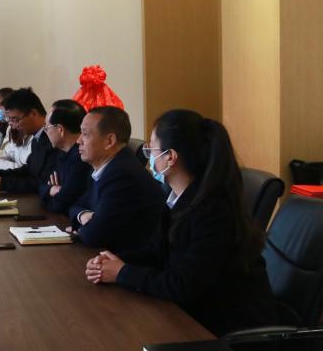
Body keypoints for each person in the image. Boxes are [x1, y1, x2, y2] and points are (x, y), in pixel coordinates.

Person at [85, 110, 278, 337]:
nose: (148, 157)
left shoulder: (213, 211)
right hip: (195, 316)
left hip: (229, 331)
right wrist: (113, 261)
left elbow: (182, 286)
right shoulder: (179, 198)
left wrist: (122, 272)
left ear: (170, 157)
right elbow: (157, 252)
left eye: (151, 150)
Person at [68, 106, 164, 251]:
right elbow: (75, 206)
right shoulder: (102, 167)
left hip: (131, 258)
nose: (78, 140)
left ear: (109, 141)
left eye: (85, 134)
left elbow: (94, 236)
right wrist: (83, 215)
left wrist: (81, 228)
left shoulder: (122, 174)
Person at [0, 88, 56, 193]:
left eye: (15, 119)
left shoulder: (53, 140)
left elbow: (42, 182)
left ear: (33, 114)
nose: (13, 126)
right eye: (10, 120)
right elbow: (27, 170)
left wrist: (3, 184)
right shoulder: (38, 138)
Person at [39, 99, 91, 214]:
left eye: (47, 128)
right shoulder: (61, 153)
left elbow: (59, 206)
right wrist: (51, 189)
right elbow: (41, 184)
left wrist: (50, 193)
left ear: (60, 130)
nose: (46, 133)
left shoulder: (81, 158)